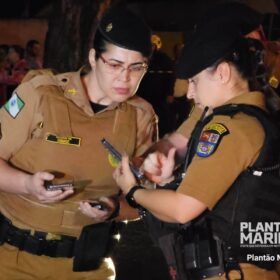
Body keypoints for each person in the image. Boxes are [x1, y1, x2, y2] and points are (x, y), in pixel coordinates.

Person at [113, 21, 280, 279]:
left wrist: (132, 190)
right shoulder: (255, 119)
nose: (189, 93)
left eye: (194, 80)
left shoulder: (231, 127)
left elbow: (183, 210)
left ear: (222, 73)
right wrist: (168, 181)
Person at [0, 7, 157, 280]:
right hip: (14, 261)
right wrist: (26, 185)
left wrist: (116, 208)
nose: (125, 78)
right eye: (115, 65)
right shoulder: (41, 95)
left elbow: (146, 201)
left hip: (89, 267)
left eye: (136, 67)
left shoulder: (141, 118)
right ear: (94, 57)